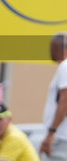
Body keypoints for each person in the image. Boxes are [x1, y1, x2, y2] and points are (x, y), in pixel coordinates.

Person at [40, 32, 67, 161]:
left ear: (56, 47)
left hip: (61, 137)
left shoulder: (65, 66)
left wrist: (51, 132)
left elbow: (65, 100)